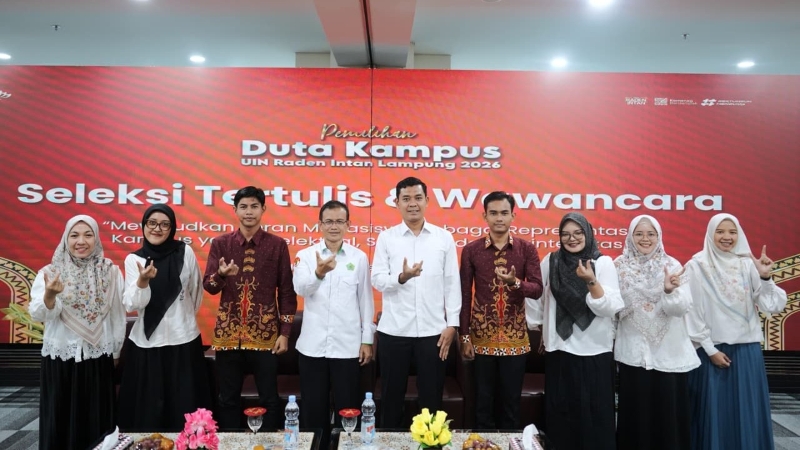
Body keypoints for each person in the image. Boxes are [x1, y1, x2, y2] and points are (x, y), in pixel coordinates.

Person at [684, 213, 787, 450]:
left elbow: (771, 305)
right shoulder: (696, 266)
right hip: (711, 353)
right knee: (713, 415)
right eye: (720, 231)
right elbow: (692, 313)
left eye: (732, 232)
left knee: (747, 412)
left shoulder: (747, 264)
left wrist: (766, 277)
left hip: (747, 353)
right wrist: (710, 350)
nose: (727, 237)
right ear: (710, 234)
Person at [203, 186, 297, 430]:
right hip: (228, 335)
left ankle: (269, 444)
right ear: (235, 210)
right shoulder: (221, 244)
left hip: (265, 335)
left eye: (254, 206)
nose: (249, 212)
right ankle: (231, 443)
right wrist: (221, 275)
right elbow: (209, 286)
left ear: (263, 209)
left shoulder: (277, 245)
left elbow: (286, 291)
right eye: (243, 206)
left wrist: (285, 333)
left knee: (269, 398)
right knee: (227, 399)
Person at [526, 212, 623, 450]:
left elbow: (610, 307)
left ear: (587, 233)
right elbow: (536, 297)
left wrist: (591, 281)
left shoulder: (602, 263)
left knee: (594, 418)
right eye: (566, 234)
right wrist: (541, 329)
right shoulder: (551, 261)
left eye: (578, 233)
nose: (572, 239)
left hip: (594, 351)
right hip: (559, 350)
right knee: (561, 416)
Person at [371, 176, 461, 428]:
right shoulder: (386, 238)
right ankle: (389, 443)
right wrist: (401, 277)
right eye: (406, 199)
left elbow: (452, 283)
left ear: (427, 201)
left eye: (418, 198)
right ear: (397, 203)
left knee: (431, 400)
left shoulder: (443, 238)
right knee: (391, 398)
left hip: (434, 333)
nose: (413, 203)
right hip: (394, 331)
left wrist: (452, 324)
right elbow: (377, 279)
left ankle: (430, 443)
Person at [29, 215, 126, 450]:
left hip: (98, 357)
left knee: (96, 423)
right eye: (74, 235)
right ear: (66, 239)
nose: (81, 241)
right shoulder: (51, 272)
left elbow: (117, 315)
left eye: (88, 235)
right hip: (61, 357)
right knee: (60, 422)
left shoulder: (110, 272)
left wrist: (115, 352)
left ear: (96, 238)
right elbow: (38, 314)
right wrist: (50, 295)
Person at [117, 204, 212, 431]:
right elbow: (132, 304)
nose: (157, 229)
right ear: (143, 226)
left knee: (186, 408)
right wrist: (143, 281)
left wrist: (181, 317)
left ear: (172, 228)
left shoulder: (185, 252)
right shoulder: (134, 259)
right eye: (152, 223)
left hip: (184, 341)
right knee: (149, 411)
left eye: (164, 224)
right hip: (147, 345)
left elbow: (195, 292)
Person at [613, 215, 700, 450]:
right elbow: (613, 309)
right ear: (630, 236)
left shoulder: (672, 265)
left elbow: (681, 308)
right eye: (639, 234)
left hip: (668, 354)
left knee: (668, 419)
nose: (645, 239)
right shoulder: (618, 266)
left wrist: (669, 292)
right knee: (636, 419)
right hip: (633, 354)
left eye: (651, 234)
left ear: (659, 236)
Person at [293, 200, 374, 447]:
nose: (334, 226)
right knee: (313, 411)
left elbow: (366, 301)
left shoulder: (359, 258)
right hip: (312, 347)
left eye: (339, 221)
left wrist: (367, 340)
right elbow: (300, 289)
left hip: (347, 347)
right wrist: (318, 274)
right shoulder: (305, 256)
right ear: (319, 224)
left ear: (348, 225)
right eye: (328, 221)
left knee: (347, 412)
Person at [459, 191, 543, 429]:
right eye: (493, 213)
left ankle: (510, 443)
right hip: (481, 338)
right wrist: (464, 337)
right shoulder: (471, 250)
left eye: (504, 213)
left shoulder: (526, 249)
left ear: (513, 216)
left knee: (510, 405)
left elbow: (537, 289)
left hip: (515, 339)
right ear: (484, 216)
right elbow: (465, 295)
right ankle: (482, 444)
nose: (499, 218)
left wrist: (515, 283)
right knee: (482, 404)